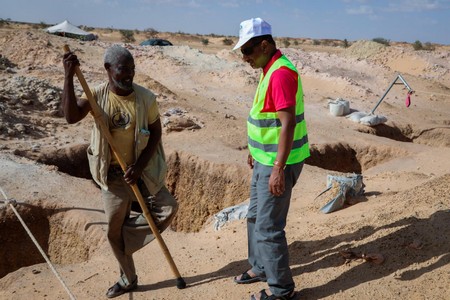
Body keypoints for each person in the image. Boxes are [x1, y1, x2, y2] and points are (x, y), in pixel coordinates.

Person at [62, 45, 178, 298]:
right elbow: (70, 117)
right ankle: (128, 279)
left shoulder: (146, 98)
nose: (129, 75)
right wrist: (68, 77)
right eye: (123, 69)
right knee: (112, 229)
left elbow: (156, 132)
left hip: (141, 171)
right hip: (113, 175)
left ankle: (124, 238)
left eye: (132, 69)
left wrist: (139, 166)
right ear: (108, 69)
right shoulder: (96, 96)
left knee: (168, 208)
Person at [232, 18, 310, 300]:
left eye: (248, 51)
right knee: (254, 217)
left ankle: (281, 290)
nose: (244, 58)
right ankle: (261, 266)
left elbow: (287, 124)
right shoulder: (269, 68)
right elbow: (266, 120)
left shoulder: (280, 74)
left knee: (268, 226)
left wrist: (278, 167)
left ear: (264, 45)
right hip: (264, 159)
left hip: (280, 163)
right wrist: (255, 153)